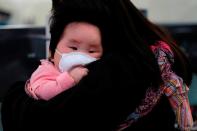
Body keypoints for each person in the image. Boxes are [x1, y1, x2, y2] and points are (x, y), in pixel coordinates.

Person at [1, 0, 193, 130]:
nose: (79, 55)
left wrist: (17, 95)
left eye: (91, 50)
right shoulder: (161, 51)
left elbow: (41, 121)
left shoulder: (117, 71)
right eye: (73, 46)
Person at [25, 22, 102, 101]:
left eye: (91, 51)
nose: (81, 55)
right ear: (52, 53)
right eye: (73, 48)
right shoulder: (45, 71)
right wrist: (70, 78)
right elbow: (42, 93)